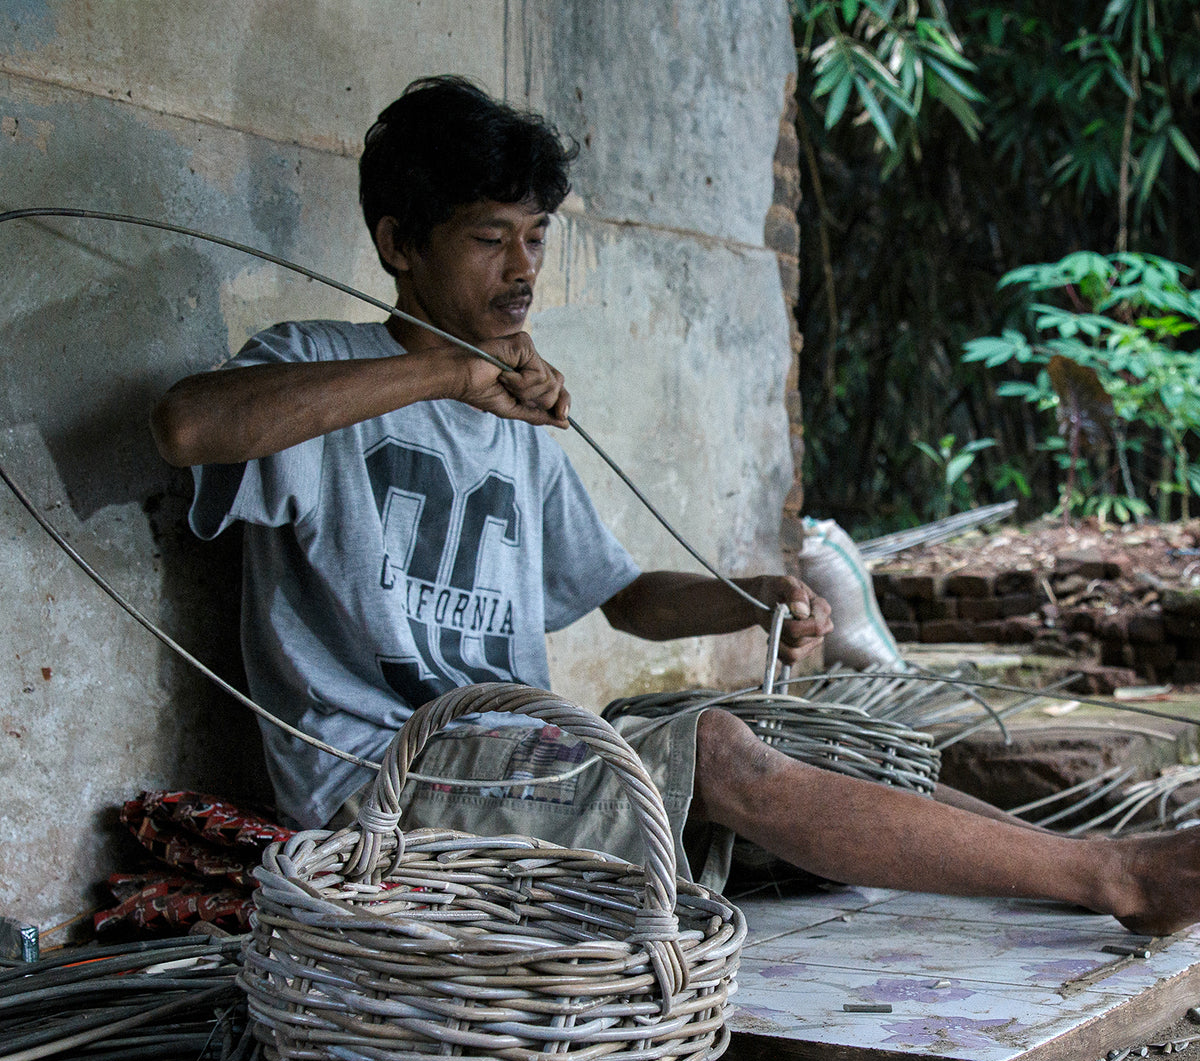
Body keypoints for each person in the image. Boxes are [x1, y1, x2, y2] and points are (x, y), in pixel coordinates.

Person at [153, 76, 1200, 937]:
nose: (522, 271)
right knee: (716, 756)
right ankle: (1118, 879)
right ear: (398, 244)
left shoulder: (515, 420)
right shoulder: (317, 365)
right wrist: (448, 374)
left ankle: (1085, 869)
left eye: (535, 237)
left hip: (527, 754)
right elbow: (188, 428)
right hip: (383, 785)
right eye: (488, 238)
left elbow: (621, 597)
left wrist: (747, 598)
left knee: (806, 745)